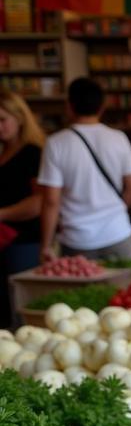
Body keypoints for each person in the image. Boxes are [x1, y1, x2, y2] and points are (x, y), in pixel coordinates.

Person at [38, 76, 131, 261]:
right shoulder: (118, 138)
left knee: (82, 290)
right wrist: (114, 211)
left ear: (69, 105)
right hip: (117, 233)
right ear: (102, 106)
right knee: (125, 288)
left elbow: (51, 201)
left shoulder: (55, 144)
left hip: (76, 240)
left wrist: (46, 246)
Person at [0, 91, 45, 328]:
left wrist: (2, 214)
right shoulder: (2, 151)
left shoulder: (33, 153)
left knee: (21, 304)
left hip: (24, 240)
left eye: (2, 120)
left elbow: (38, 203)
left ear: (19, 117)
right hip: (3, 237)